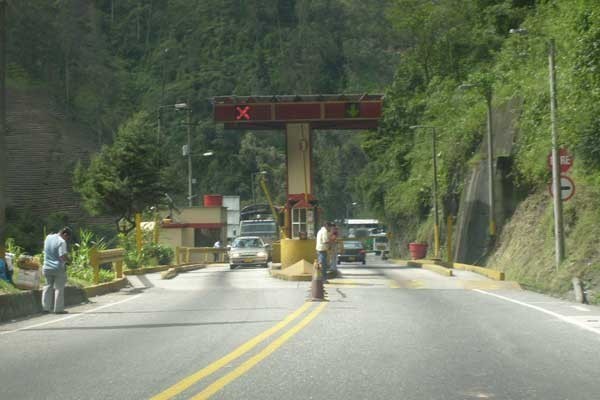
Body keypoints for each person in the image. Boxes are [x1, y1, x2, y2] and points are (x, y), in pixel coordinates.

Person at [42, 227, 72, 314]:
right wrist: (69, 261)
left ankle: (45, 308)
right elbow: (62, 256)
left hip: (46, 267)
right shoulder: (61, 242)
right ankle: (58, 309)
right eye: (67, 237)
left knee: (47, 287)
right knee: (59, 288)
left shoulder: (48, 237)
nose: (67, 239)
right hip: (58, 268)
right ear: (65, 234)